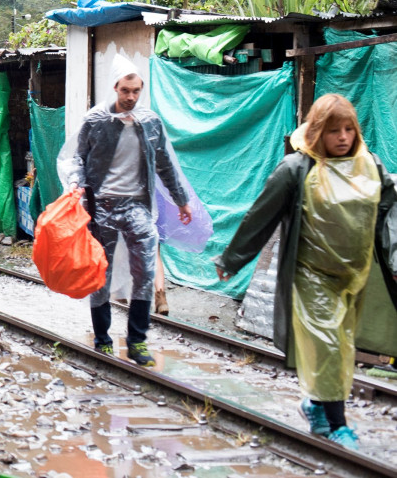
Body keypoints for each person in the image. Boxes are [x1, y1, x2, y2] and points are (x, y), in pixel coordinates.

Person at [216, 94, 397, 449]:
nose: (343, 137)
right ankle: (339, 425)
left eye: (348, 129)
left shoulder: (369, 165)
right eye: (333, 131)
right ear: (317, 132)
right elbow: (261, 216)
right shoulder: (297, 169)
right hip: (311, 275)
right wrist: (231, 260)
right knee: (329, 344)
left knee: (340, 348)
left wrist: (385, 252)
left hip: (353, 277)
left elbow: (386, 203)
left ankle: (315, 406)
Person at [66, 57, 192, 366]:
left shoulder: (150, 122)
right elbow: (77, 157)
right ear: (115, 88)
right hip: (102, 206)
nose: (131, 97)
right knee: (100, 275)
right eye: (125, 90)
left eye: (136, 91)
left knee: (145, 273)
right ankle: (103, 338)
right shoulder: (96, 120)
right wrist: (75, 184)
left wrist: (181, 199)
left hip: (137, 205)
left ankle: (137, 342)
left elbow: (164, 162)